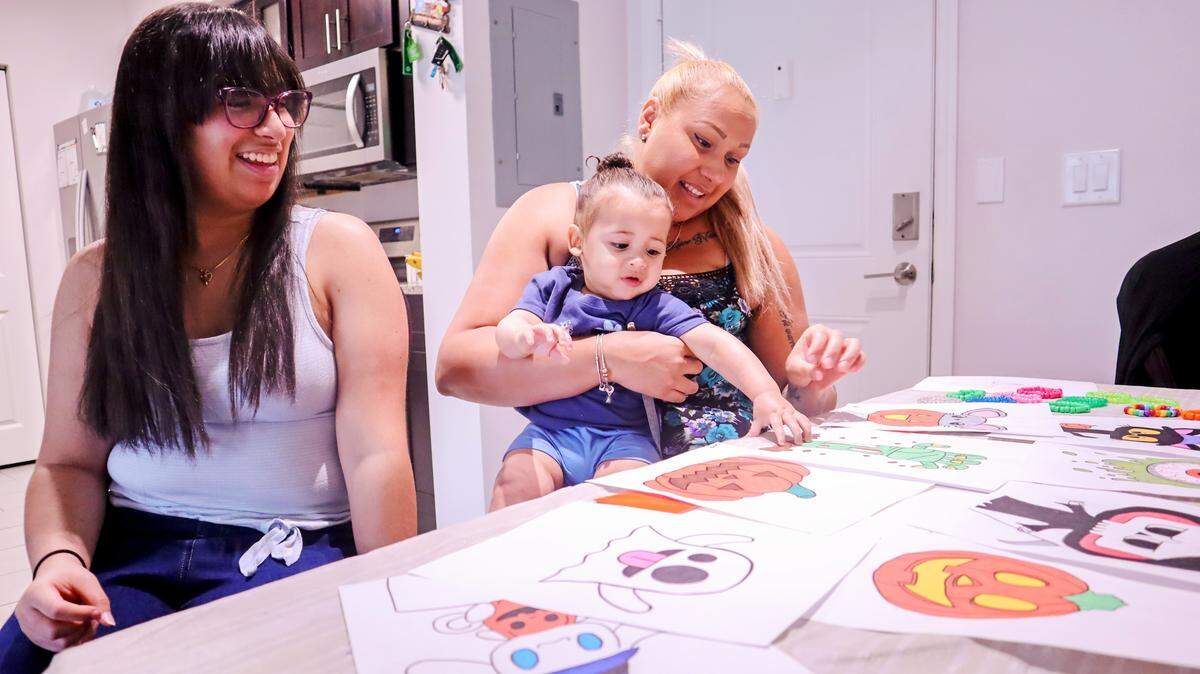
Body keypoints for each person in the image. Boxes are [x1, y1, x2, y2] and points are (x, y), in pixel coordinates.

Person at [0, 5, 415, 670]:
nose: (277, 127)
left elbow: (377, 458)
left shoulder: (337, 251)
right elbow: (65, 463)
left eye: (287, 103)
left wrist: (392, 596)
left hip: (291, 544)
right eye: (244, 101)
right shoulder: (95, 280)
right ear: (162, 122)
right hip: (132, 546)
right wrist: (58, 562)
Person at [437, 42, 866, 494]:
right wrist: (611, 359)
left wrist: (812, 384)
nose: (716, 173)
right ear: (649, 119)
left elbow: (793, 402)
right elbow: (456, 370)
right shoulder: (555, 214)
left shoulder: (755, 245)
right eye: (703, 141)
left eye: (733, 159)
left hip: (731, 484)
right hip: (583, 476)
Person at [491, 154, 810, 508]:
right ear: (577, 241)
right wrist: (524, 336)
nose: (638, 261)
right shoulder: (553, 287)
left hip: (626, 439)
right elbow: (510, 327)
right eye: (620, 245)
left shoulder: (653, 304)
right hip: (549, 434)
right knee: (514, 484)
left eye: (653, 250)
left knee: (622, 500)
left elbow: (715, 344)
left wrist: (765, 393)